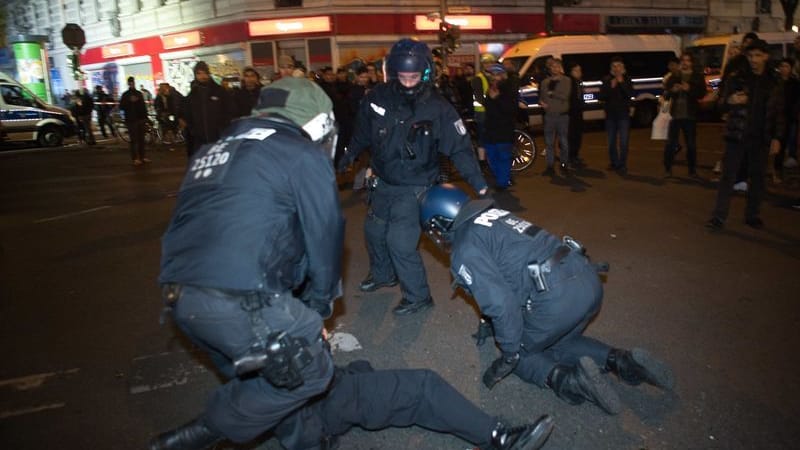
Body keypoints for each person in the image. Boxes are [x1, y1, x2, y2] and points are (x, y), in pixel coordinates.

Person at [150, 77, 345, 450]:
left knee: (275, 378)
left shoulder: (211, 150)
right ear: (319, 123)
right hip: (242, 299)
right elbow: (326, 232)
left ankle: (306, 441)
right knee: (313, 371)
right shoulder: (300, 154)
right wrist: (317, 308)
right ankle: (201, 433)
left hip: (181, 297)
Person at [418, 184, 675, 415]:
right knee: (558, 342)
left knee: (521, 353)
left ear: (441, 222)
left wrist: (509, 353)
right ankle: (623, 361)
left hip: (556, 298)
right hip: (585, 278)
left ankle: (572, 382)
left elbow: (502, 304)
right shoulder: (493, 215)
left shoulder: (465, 247)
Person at [339, 38, 489, 316]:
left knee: (400, 242)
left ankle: (418, 296)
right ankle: (383, 275)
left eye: (414, 76)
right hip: (383, 181)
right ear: (393, 72)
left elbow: (459, 147)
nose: (408, 82)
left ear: (426, 73)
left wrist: (478, 183)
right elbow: (361, 133)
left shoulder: (438, 106)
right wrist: (347, 157)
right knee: (373, 231)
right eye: (403, 76)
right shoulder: (377, 98)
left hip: (416, 185)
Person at [706, 39, 785, 231]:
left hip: (761, 136)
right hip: (737, 134)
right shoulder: (737, 77)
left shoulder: (774, 82)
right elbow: (720, 104)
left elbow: (779, 112)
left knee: (757, 178)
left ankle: (752, 215)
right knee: (728, 176)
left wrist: (777, 137)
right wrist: (730, 100)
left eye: (758, 55)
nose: (753, 60)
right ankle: (719, 216)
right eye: (750, 56)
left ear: (766, 56)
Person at [662, 52, 706, 178]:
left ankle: (692, 170)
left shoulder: (697, 76)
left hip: (690, 114)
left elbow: (701, 93)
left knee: (691, 144)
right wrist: (673, 90)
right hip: (675, 114)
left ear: (691, 62)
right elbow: (667, 92)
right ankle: (668, 168)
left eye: (688, 60)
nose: (685, 63)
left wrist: (689, 89)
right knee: (671, 143)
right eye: (683, 60)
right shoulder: (675, 75)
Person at [181, 61, 234, 157]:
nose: (202, 76)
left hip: (219, 138)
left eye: (205, 73)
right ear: (195, 75)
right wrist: (193, 130)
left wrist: (223, 128)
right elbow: (188, 115)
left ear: (209, 74)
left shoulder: (220, 91)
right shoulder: (192, 95)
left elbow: (229, 110)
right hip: (200, 141)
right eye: (199, 73)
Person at [483, 63, 517, 190]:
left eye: (496, 74)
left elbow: (511, 110)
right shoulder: (490, 89)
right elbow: (488, 108)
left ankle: (502, 182)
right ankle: (502, 178)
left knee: (503, 157)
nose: (493, 77)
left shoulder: (510, 89)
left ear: (503, 75)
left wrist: (497, 98)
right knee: (492, 157)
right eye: (492, 74)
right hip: (491, 130)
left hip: (504, 130)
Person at [599, 56, 634, 175]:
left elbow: (630, 94)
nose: (616, 68)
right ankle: (614, 163)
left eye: (619, 66)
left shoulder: (627, 79)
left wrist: (621, 83)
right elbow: (602, 96)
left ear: (623, 68)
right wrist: (611, 87)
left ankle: (622, 164)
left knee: (624, 142)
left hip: (623, 115)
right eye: (614, 66)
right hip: (610, 116)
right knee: (611, 142)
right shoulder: (607, 79)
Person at [540, 58, 571, 175]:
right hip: (549, 116)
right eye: (553, 66)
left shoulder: (566, 80)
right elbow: (542, 97)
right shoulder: (544, 82)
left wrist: (553, 93)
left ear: (561, 68)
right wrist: (542, 102)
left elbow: (565, 96)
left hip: (562, 116)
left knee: (563, 141)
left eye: (557, 66)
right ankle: (550, 166)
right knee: (549, 142)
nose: (555, 68)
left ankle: (564, 164)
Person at [118, 76, 149, 165]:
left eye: (133, 82)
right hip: (131, 120)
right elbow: (121, 106)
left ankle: (142, 157)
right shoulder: (125, 95)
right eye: (130, 83)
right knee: (134, 140)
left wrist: (145, 118)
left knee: (141, 139)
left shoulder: (139, 93)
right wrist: (129, 101)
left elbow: (143, 106)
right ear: (128, 83)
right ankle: (135, 158)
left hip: (140, 119)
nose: (132, 84)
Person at [567, 62, 585, 167]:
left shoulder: (578, 82)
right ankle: (571, 156)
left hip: (578, 111)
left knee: (577, 135)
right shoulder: (570, 82)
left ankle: (575, 155)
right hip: (572, 112)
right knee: (573, 135)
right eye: (577, 70)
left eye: (580, 70)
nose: (579, 73)